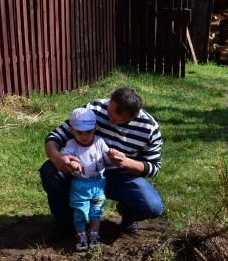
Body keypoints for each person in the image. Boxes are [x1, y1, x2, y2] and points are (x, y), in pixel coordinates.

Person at [40, 87, 164, 240]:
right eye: (110, 113)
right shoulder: (95, 108)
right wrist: (57, 157)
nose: (112, 121)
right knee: (49, 170)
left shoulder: (149, 128)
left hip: (121, 177)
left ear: (135, 115)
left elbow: (154, 167)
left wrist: (126, 162)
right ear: (110, 101)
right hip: (83, 172)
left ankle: (127, 216)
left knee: (152, 206)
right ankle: (66, 224)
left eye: (120, 120)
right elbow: (55, 136)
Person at [61, 107, 111, 251]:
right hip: (80, 185)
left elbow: (107, 157)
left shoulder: (99, 142)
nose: (84, 136)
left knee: (97, 208)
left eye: (88, 131)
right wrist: (72, 162)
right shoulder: (72, 144)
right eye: (79, 132)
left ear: (95, 128)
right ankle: (81, 234)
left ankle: (94, 233)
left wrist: (112, 155)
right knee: (80, 211)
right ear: (72, 130)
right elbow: (66, 156)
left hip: (98, 184)